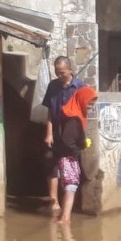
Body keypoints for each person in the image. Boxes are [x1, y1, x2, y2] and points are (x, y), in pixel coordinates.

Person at [42, 56, 84, 211]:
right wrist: (49, 133)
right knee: (51, 162)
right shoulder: (53, 86)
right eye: (56, 72)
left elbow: (84, 113)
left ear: (70, 70)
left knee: (71, 165)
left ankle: (72, 204)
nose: (59, 75)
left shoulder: (79, 87)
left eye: (62, 72)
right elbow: (50, 112)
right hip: (55, 130)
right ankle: (54, 201)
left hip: (72, 132)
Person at [53, 86, 97, 224]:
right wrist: (81, 146)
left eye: (92, 104)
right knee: (71, 186)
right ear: (82, 100)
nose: (90, 106)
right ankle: (65, 218)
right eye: (89, 103)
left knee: (70, 186)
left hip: (66, 156)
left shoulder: (70, 114)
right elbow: (68, 140)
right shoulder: (74, 119)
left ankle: (64, 217)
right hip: (68, 156)